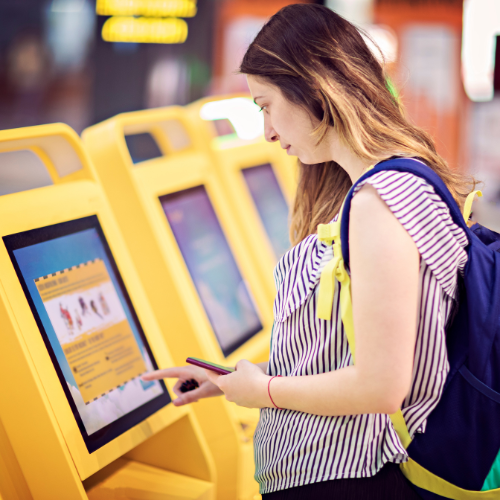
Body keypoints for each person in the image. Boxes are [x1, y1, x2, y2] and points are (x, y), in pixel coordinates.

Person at [142, 4, 475, 499]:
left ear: (315, 92)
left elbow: (381, 386)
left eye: (266, 106)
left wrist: (264, 393)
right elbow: (349, 348)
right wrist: (236, 380)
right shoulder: (378, 186)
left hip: (359, 482)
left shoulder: (378, 202)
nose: (267, 132)